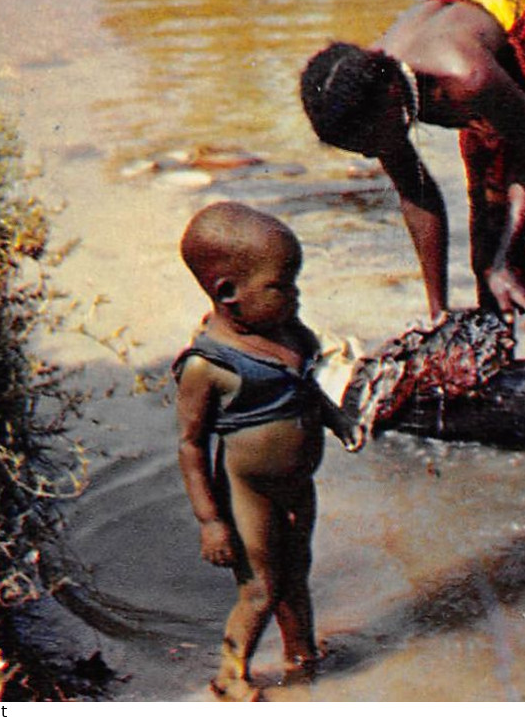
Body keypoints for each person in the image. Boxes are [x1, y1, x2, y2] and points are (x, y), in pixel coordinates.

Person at [299, 0, 525, 358]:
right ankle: (493, 358)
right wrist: (439, 314)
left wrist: (506, 259)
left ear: (393, 97)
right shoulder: (370, 91)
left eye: (366, 144)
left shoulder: (464, 80)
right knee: (489, 222)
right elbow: (415, 192)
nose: (369, 155)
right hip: (479, 44)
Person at [174, 202, 362, 701]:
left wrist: (340, 420)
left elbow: (311, 391)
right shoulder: (207, 365)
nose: (296, 296)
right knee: (259, 586)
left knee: (297, 573)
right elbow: (192, 445)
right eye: (282, 286)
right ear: (228, 293)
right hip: (247, 492)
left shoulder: (295, 337)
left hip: (297, 486)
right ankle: (229, 674)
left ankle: (301, 653)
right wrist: (209, 520)